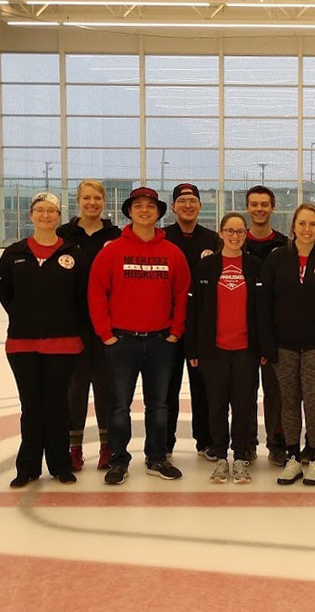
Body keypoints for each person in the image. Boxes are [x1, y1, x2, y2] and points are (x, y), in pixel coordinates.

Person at [88, 186, 191, 486]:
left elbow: (182, 294)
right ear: (130, 212)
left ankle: (156, 457)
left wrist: (176, 331)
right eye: (138, 206)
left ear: (158, 213)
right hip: (122, 342)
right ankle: (118, 460)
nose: (144, 210)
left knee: (158, 406)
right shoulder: (112, 251)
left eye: (150, 206)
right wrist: (106, 334)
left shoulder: (172, 253)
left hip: (160, 342)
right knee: (119, 406)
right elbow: (96, 293)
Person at [0, 192, 87, 488]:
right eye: (40, 210)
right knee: (31, 407)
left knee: (58, 405)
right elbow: (7, 296)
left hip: (64, 343)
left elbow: (81, 297)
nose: (45, 215)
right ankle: (28, 467)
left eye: (51, 211)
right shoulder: (14, 253)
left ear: (59, 217)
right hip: (22, 345)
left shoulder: (74, 253)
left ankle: (60, 465)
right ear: (31, 215)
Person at [260, 204, 315, 486]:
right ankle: (293, 457)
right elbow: (264, 304)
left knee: (314, 402)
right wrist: (267, 345)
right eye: (302, 223)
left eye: (312, 224)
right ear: (293, 226)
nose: (307, 229)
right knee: (289, 402)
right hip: (284, 347)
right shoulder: (277, 259)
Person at [186, 213, 262, 485]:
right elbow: (194, 310)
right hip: (214, 349)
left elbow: (262, 310)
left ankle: (241, 456)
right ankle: (220, 455)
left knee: (243, 405)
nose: (234, 236)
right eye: (229, 231)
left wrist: (263, 347)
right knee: (216, 405)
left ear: (245, 234)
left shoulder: (254, 265)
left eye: (240, 231)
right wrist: (193, 349)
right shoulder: (206, 266)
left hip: (245, 349)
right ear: (220, 233)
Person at [57, 179, 121, 472]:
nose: (92, 203)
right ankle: (74, 448)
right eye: (86, 198)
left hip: (108, 325)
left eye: (97, 198)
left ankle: (108, 446)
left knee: (106, 387)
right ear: (78, 201)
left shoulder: (116, 235)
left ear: (103, 201)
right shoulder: (63, 235)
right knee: (75, 388)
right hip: (73, 325)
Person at [162, 183, 221, 460]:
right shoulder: (162, 238)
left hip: (202, 326)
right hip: (168, 325)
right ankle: (164, 442)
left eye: (193, 200)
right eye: (182, 200)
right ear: (173, 206)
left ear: (200, 205)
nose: (188, 205)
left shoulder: (213, 240)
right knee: (167, 387)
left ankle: (206, 441)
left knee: (203, 386)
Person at [243, 185, 288, 467]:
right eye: (254, 204)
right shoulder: (236, 243)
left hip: (274, 332)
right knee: (244, 392)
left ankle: (277, 443)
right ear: (247, 208)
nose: (259, 209)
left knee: (276, 392)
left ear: (272, 208)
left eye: (264, 204)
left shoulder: (284, 245)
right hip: (242, 331)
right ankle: (246, 444)